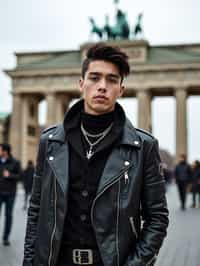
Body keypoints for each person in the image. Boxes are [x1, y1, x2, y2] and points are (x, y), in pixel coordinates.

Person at [23, 44, 169, 266]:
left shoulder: (143, 147)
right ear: (81, 84)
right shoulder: (50, 142)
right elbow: (36, 211)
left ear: (121, 89)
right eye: (94, 78)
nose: (102, 86)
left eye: (111, 80)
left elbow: (157, 218)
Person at [0, 143, 21, 246]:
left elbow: (20, 176)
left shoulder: (15, 162)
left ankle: (6, 238)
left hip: (10, 194)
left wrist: (10, 175)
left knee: (8, 215)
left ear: (5, 151)